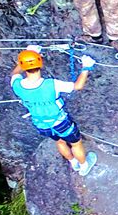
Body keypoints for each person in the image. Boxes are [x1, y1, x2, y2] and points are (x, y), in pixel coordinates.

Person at [10, 46, 96, 175]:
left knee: (60, 141)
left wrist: (29, 54)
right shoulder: (51, 84)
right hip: (60, 122)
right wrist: (86, 67)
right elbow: (78, 86)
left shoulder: (16, 84)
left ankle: (73, 162)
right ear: (40, 63)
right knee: (76, 144)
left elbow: (15, 73)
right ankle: (84, 166)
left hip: (41, 124)